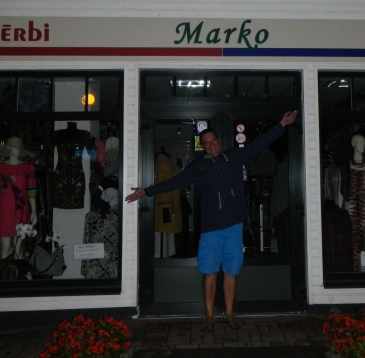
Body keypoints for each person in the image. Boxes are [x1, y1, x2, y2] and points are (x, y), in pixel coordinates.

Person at [126, 110, 298, 332]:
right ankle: (209, 315)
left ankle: (230, 313)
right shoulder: (198, 167)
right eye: (206, 143)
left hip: (233, 226)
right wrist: (147, 191)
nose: (210, 144)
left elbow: (258, 144)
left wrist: (281, 124)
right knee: (210, 272)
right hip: (210, 230)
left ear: (218, 141)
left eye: (213, 140)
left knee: (231, 271)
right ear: (203, 146)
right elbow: (174, 182)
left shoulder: (233, 157)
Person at [0, 137, 38, 259]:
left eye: (19, 148)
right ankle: (4, 271)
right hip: (4, 210)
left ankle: (18, 271)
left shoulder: (28, 168)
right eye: (15, 148)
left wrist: (34, 211)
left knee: (18, 246)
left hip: (21, 209)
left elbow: (31, 191)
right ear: (8, 148)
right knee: (5, 246)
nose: (17, 150)